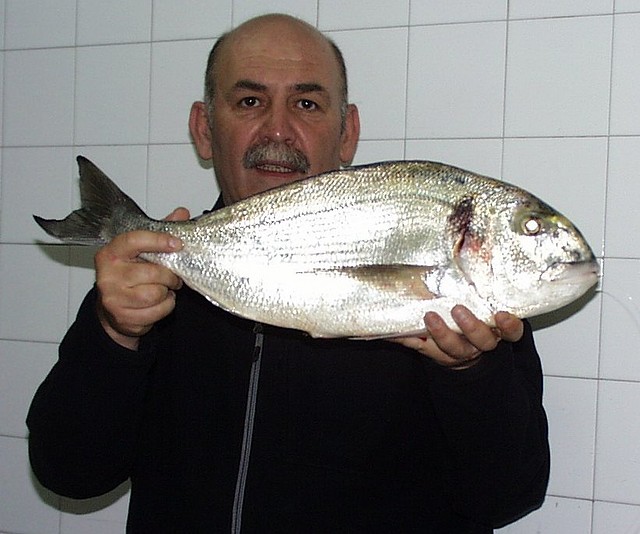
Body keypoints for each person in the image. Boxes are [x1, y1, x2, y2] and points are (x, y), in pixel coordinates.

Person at [27, 14, 549, 533]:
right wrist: (114, 337)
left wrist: (469, 375)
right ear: (204, 130)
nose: (277, 129)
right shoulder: (149, 288)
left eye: (307, 104)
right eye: (250, 101)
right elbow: (69, 473)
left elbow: (511, 495)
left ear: (347, 135)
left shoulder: (454, 289)